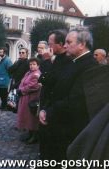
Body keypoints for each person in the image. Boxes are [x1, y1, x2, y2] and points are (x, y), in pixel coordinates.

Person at [39, 27, 98, 161]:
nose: (65, 45)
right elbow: (55, 88)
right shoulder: (73, 62)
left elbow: (75, 101)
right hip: (58, 123)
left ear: (82, 44)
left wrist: (49, 111)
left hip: (67, 130)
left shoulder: (90, 66)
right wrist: (45, 108)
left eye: (69, 42)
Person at [17, 58, 41, 144]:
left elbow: (33, 86)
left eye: (34, 64)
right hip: (25, 97)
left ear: (38, 65)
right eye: (30, 64)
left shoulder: (36, 74)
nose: (32, 66)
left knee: (31, 118)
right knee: (26, 117)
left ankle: (34, 136)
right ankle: (29, 133)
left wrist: (22, 90)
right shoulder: (28, 73)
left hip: (31, 98)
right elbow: (22, 82)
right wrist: (20, 88)